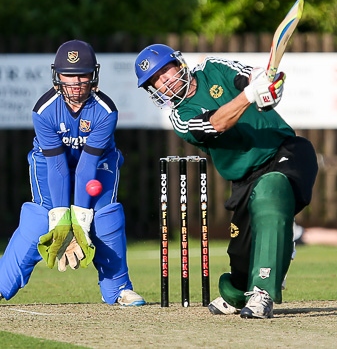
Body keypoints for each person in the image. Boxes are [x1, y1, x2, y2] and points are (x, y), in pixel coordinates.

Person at [134, 44, 318, 319]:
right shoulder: (181, 118)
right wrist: (248, 96)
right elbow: (217, 124)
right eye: (155, 81)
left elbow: (250, 76)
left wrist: (268, 87)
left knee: (272, 190)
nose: (164, 81)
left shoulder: (211, 68)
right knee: (239, 276)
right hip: (244, 180)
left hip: (285, 151)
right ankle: (244, 286)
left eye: (164, 71)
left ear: (178, 64)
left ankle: (264, 293)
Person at [0, 39, 145, 307]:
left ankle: (118, 288)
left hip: (97, 163)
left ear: (93, 75)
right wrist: (61, 219)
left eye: (82, 74)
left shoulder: (105, 111)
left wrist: (78, 219)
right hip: (50, 163)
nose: (76, 82)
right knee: (41, 218)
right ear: (57, 75)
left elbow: (87, 167)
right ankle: (1, 283)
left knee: (105, 216)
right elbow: (57, 167)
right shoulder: (44, 111)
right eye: (69, 74)